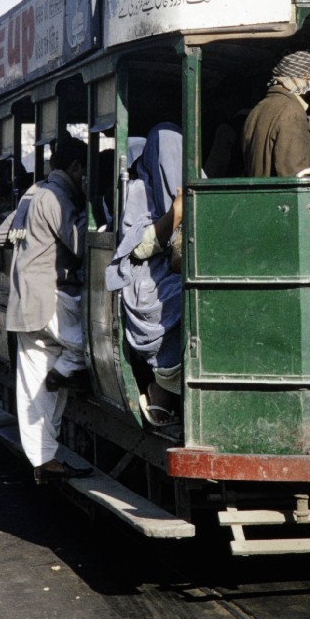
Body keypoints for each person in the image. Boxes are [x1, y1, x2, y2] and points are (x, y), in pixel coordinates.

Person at [6, 136, 91, 483]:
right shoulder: (55, 195)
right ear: (74, 168)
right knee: (87, 347)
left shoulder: (33, 193)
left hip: (26, 298)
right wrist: (91, 210)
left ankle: (45, 460)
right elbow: (79, 242)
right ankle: (45, 459)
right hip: (47, 297)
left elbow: (2, 234)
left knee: (38, 389)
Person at [106, 124, 184, 427]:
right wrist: (175, 215)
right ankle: (162, 388)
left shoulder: (195, 182)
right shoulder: (139, 191)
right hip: (148, 280)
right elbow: (137, 249)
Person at [242, 52, 310, 177]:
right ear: (306, 76)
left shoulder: (257, 110)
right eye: (309, 74)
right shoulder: (292, 112)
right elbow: (296, 175)